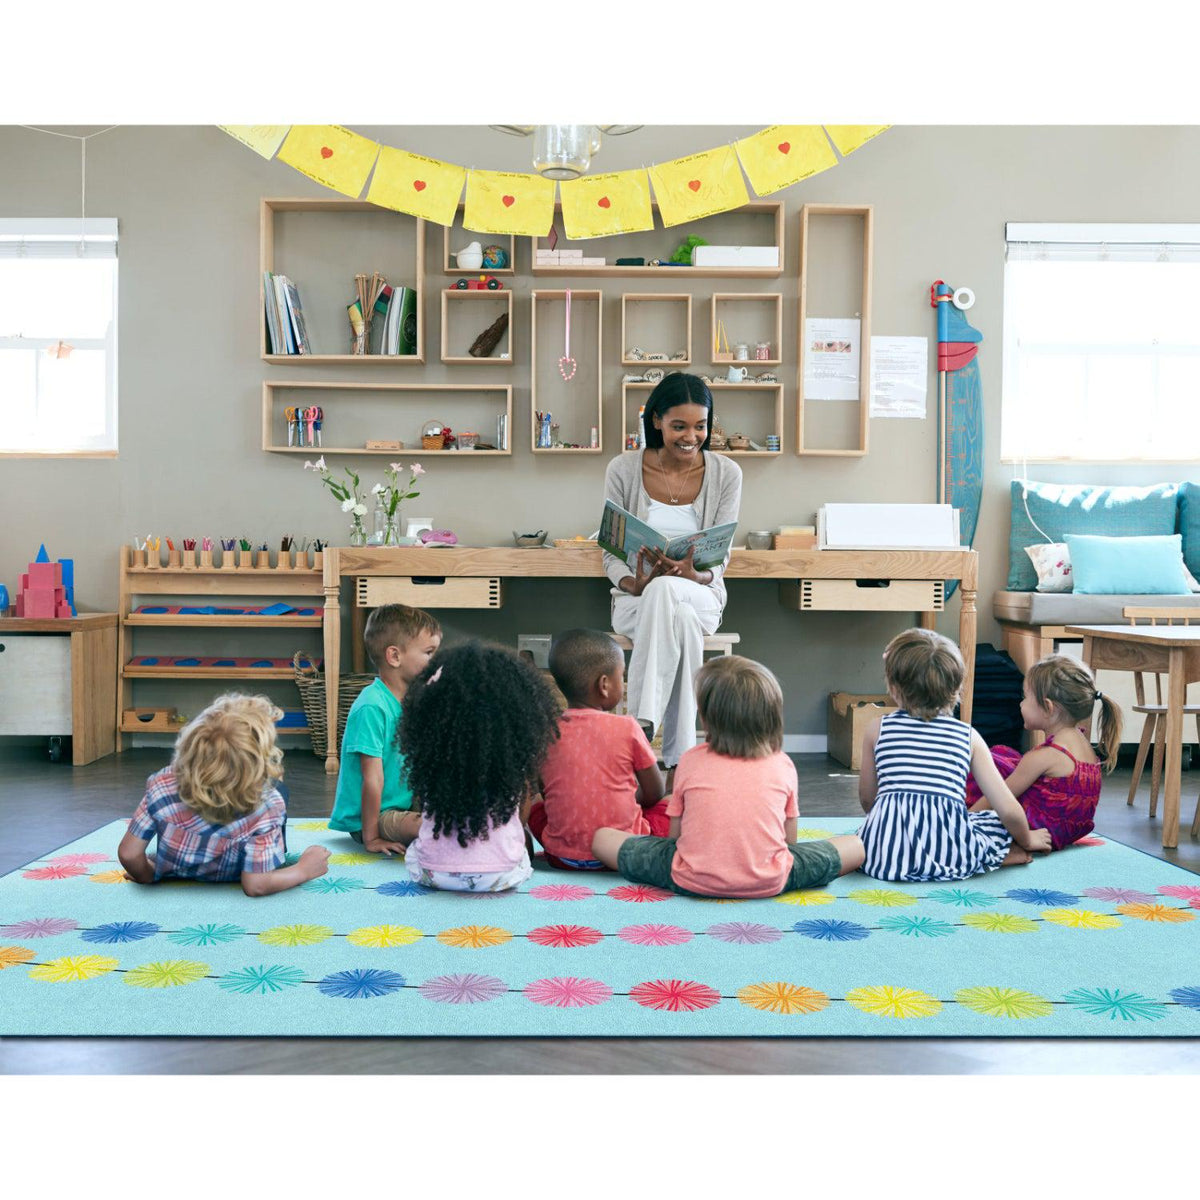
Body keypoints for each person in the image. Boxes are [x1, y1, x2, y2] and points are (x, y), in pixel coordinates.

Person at [592, 656, 864, 898]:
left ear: (706, 718)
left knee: (602, 838)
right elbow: (789, 842)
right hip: (770, 879)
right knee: (855, 846)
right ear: (771, 716)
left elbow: (675, 837)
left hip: (689, 878)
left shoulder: (690, 760)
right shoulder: (783, 764)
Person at [602, 372, 742, 773]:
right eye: (679, 426)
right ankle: (680, 759)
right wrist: (633, 582)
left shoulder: (726, 473)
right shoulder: (623, 469)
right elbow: (611, 551)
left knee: (669, 593)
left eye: (700, 426)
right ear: (657, 420)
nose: (690, 437)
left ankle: (641, 724)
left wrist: (695, 576)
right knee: (675, 613)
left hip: (701, 595)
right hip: (637, 601)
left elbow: (721, 557)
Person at [858, 629, 1052, 881]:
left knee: (863, 837)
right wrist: (1028, 839)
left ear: (893, 687)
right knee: (990, 822)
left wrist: (887, 823)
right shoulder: (968, 736)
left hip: (884, 855)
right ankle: (998, 855)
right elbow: (1008, 809)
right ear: (958, 687)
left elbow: (867, 798)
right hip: (951, 852)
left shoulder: (877, 728)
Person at [117, 693, 330, 896]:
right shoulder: (268, 805)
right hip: (237, 874)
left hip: (178, 871)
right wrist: (303, 869)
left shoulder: (162, 784)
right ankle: (270, 853)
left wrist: (147, 874)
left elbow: (129, 854)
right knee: (279, 789)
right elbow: (257, 885)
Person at [399, 641, 560, 892]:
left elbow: (425, 807)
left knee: (415, 850)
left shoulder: (434, 761)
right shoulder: (510, 763)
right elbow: (520, 818)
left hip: (435, 873)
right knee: (520, 840)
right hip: (501, 876)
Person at [529, 627, 667, 870]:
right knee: (670, 804)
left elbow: (547, 792)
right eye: (621, 676)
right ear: (604, 684)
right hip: (623, 853)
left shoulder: (545, 730)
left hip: (561, 857)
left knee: (535, 805)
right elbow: (655, 792)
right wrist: (628, 799)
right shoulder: (627, 727)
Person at [966, 654, 1123, 850]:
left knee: (991, 765)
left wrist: (965, 823)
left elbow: (997, 798)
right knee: (1007, 758)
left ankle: (1009, 847)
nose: (1021, 704)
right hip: (1068, 830)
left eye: (1025, 698)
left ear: (1048, 707)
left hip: (1041, 830)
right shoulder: (1083, 744)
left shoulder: (1046, 755)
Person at [329, 604, 441, 855]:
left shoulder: (414, 701)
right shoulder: (372, 707)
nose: (436, 661)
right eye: (429, 653)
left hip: (404, 805)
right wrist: (372, 838)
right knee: (434, 827)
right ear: (394, 656)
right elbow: (373, 779)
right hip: (373, 817)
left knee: (457, 816)